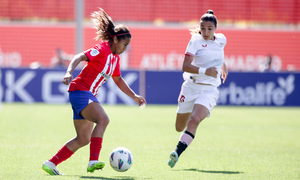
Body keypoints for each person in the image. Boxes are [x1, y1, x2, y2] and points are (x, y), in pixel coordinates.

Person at [42, 8, 146, 175]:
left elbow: (118, 79)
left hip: (83, 94)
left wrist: (133, 96)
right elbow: (79, 56)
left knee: (83, 139)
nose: (125, 48)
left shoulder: (115, 58)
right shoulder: (103, 49)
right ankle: (93, 161)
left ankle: (51, 163)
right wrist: (69, 72)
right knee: (103, 119)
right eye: (125, 44)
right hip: (81, 91)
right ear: (115, 40)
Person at [167, 10, 228, 168]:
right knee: (179, 127)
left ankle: (176, 153)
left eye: (209, 28)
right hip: (191, 87)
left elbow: (218, 53)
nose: (206, 32)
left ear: (216, 28)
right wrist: (204, 71)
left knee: (194, 120)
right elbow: (185, 66)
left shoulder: (221, 39)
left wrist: (223, 66)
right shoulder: (195, 40)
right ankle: (185, 133)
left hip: (209, 90)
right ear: (199, 28)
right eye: (203, 28)